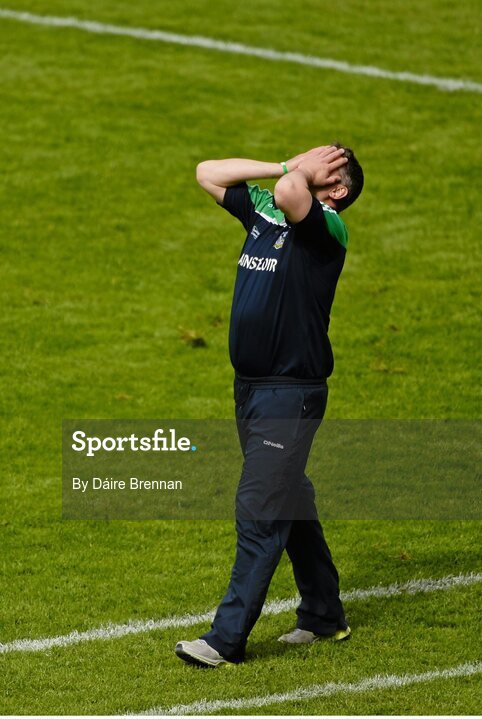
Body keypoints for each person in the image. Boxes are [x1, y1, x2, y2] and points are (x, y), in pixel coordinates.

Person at [175, 144, 364, 667]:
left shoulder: (326, 230)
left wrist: (293, 175)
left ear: (337, 190)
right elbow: (206, 171)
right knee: (288, 498)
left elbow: (289, 192)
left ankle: (224, 639)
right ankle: (324, 614)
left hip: (291, 392)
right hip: (251, 388)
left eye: (321, 166)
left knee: (260, 507)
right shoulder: (267, 209)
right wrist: (284, 164)